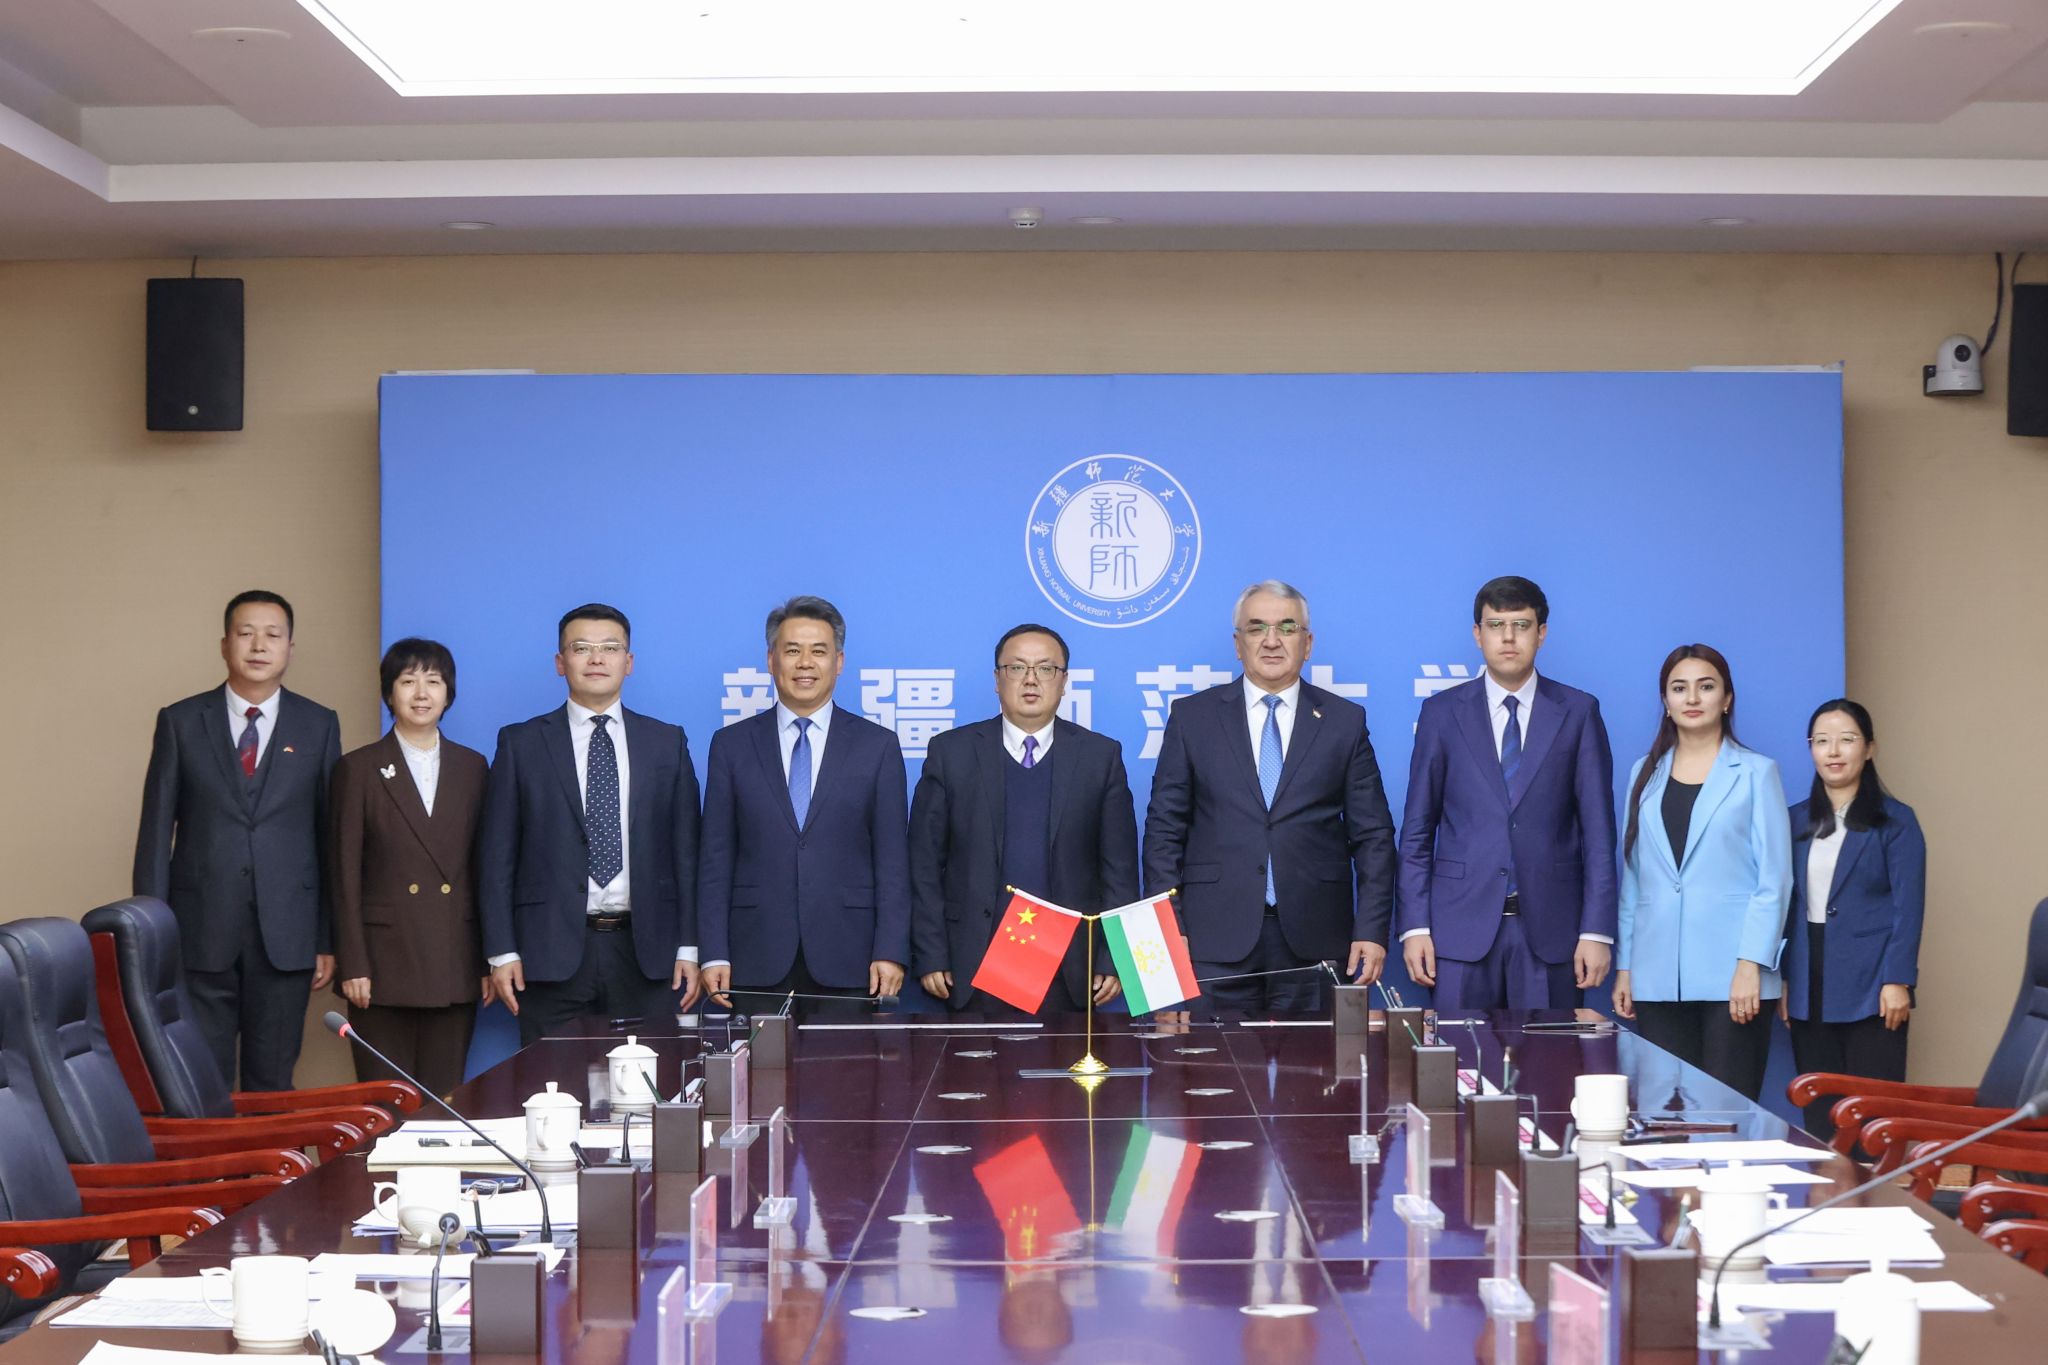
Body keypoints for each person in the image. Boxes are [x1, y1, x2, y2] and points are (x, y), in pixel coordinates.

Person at [1142, 580, 1397, 1014]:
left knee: (1318, 1060)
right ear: (1237, 644)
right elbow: (1164, 831)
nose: (1272, 640)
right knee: (1209, 1059)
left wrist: (1371, 929)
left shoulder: (1344, 721)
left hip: (1316, 938)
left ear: (1308, 643)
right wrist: (1167, 928)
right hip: (1210, 939)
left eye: (1287, 627)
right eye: (1257, 628)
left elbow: (1373, 836)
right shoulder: (1193, 718)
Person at [133, 590, 343, 1091]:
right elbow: (155, 834)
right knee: (200, 1081)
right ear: (225, 644)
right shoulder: (181, 721)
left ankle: (269, 1151)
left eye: (272, 635)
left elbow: (330, 838)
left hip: (287, 935)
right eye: (246, 633)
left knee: (272, 1081)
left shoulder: (318, 724)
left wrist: (325, 939)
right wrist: (151, 934)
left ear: (290, 647)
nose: (259, 645)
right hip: (198, 931)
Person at [478, 604, 701, 1045]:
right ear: (560, 662)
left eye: (610, 648)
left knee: (648, 1082)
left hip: (647, 955)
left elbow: (687, 853)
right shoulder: (522, 743)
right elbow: (496, 856)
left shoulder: (666, 742)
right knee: (550, 1081)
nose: (596, 658)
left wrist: (690, 947)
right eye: (581, 648)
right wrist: (501, 951)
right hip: (549, 953)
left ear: (628, 662)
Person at [1397, 576, 1618, 1009]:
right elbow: (1417, 831)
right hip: (1457, 930)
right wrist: (1415, 926)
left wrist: (1596, 931)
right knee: (1458, 1053)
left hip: (1551, 930)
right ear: (1477, 634)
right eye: (1496, 625)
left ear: (1542, 633)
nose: (1509, 637)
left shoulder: (1577, 712)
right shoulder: (1442, 713)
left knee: (1548, 1052)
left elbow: (1597, 833)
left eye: (1521, 624)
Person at [910, 623, 1139, 1013]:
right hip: (970, 964)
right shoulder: (952, 753)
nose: (1031, 679)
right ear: (997, 679)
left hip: (1070, 967)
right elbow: (924, 864)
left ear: (1063, 682)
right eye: (1016, 668)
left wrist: (1113, 957)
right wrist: (931, 952)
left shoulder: (1099, 757)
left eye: (1046, 668)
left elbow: (1119, 871)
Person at [698, 597, 910, 1015]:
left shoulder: (877, 746)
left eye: (819, 651)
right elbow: (715, 859)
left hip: (851, 956)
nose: (805, 663)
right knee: (758, 1060)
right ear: (771, 659)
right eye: (792, 650)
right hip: (754, 954)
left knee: (845, 1059)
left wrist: (890, 949)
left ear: (839, 662)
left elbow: (892, 860)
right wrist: (713, 951)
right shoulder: (732, 745)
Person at [1612, 644, 1791, 1101]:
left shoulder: (1755, 772)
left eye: (1706, 686)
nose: (1692, 698)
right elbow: (1634, 881)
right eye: (1679, 688)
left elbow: (1774, 881)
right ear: (1666, 702)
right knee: (1663, 1116)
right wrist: (1627, 967)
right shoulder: (1643, 774)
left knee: (1727, 1114)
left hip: (1734, 976)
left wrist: (1751, 964)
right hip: (1656, 976)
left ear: (1726, 699)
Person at [328, 639, 491, 1097]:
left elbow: (484, 870)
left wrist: (486, 958)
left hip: (453, 957)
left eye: (433, 681)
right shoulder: (358, 769)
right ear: (389, 692)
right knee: (386, 1102)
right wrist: (352, 961)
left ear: (448, 693)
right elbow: (343, 875)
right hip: (382, 964)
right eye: (408, 681)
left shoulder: (473, 767)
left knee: (444, 1103)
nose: (421, 693)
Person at [1782, 699, 1926, 1138]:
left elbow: (1908, 907)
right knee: (1820, 1112)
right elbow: (1785, 906)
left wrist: (1898, 980)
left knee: (1872, 1115)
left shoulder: (1896, 821)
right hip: (1809, 978)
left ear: (1869, 749)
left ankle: (1874, 1183)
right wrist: (1785, 980)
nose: (1833, 751)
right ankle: (1827, 1180)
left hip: (1873, 983)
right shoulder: (1793, 820)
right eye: (1821, 741)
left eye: (1846, 740)